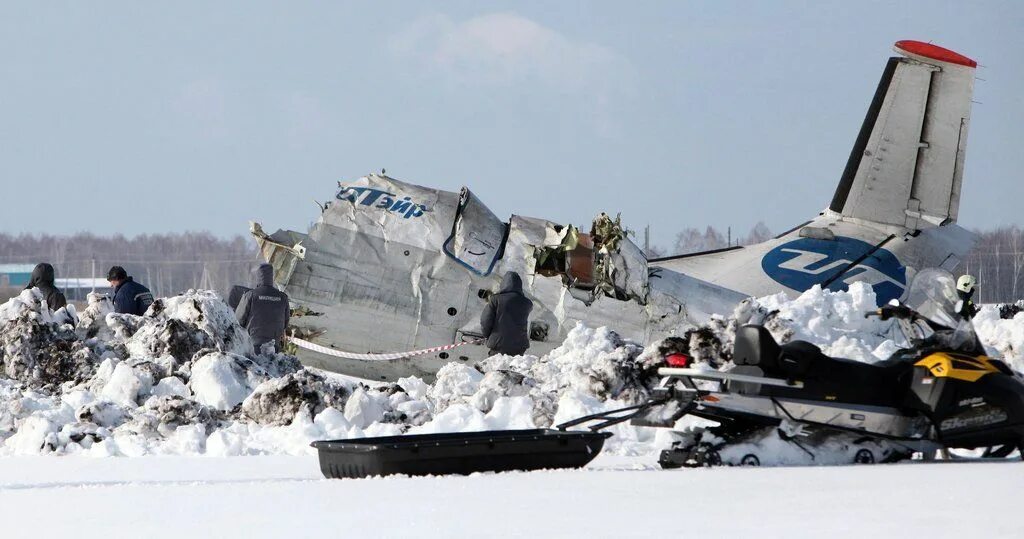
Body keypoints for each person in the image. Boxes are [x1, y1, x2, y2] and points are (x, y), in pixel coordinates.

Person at [235, 264, 290, 353]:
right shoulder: (283, 297)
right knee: (272, 366)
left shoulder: (250, 295)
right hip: (274, 345)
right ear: (271, 277)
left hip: (253, 344)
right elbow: (286, 322)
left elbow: (238, 320)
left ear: (258, 277)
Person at [480, 271, 533, 356]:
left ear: (504, 284)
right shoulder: (527, 303)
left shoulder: (496, 300)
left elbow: (485, 320)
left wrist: (487, 335)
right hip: (519, 346)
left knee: (495, 367)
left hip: (499, 344)